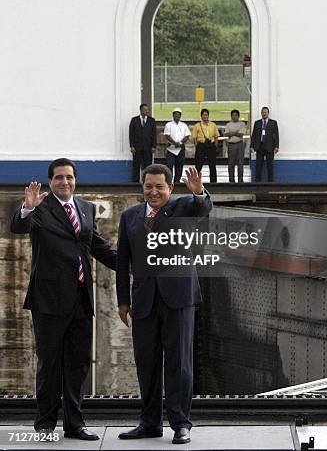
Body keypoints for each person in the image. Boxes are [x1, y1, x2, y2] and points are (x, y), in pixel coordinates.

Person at [10, 158, 116, 440]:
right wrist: (28, 207)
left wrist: (132, 264)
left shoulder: (86, 208)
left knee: (78, 363)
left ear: (75, 180)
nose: (65, 182)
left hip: (81, 297)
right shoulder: (40, 208)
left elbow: (96, 246)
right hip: (49, 300)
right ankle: (45, 424)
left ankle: (74, 424)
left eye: (69, 177)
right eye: (59, 177)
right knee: (50, 363)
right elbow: (18, 227)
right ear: (50, 181)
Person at [116, 164, 212, 445]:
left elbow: (203, 208)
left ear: (170, 188)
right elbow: (123, 262)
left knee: (179, 363)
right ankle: (149, 423)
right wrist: (123, 300)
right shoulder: (129, 217)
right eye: (149, 186)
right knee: (146, 363)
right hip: (144, 300)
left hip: (178, 298)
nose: (154, 191)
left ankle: (181, 424)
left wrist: (199, 193)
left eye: (160, 186)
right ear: (142, 187)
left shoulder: (182, 208)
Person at [251, 106, 279, 182]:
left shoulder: (273, 123)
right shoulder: (257, 123)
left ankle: (270, 183)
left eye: (265, 112)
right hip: (259, 146)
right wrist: (252, 146)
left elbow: (276, 135)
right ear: (261, 113)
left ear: (268, 113)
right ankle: (257, 183)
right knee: (258, 166)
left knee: (270, 166)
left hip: (269, 147)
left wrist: (276, 146)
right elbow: (254, 135)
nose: (264, 114)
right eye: (263, 112)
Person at [129, 104, 157, 182]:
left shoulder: (152, 120)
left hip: (148, 148)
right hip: (137, 147)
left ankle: (147, 181)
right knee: (136, 166)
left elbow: (154, 134)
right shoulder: (134, 120)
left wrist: (154, 146)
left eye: (147, 109)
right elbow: (131, 134)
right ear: (141, 110)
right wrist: (132, 146)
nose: (147, 111)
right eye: (145, 109)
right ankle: (135, 182)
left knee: (148, 166)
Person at [191, 108, 220, 183]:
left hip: (211, 145)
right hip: (201, 145)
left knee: (212, 165)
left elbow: (216, 136)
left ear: (208, 116)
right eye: (203, 115)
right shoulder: (197, 125)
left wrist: (215, 146)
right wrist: (196, 146)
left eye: (206, 115)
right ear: (201, 116)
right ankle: (196, 181)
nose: (205, 116)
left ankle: (213, 182)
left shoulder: (213, 125)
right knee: (198, 164)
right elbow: (194, 137)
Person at [163, 108, 191, 183]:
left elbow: (187, 135)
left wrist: (180, 143)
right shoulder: (168, 124)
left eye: (178, 114)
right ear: (173, 115)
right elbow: (167, 135)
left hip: (180, 148)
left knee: (179, 165)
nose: (177, 116)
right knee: (169, 165)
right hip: (171, 148)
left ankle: (177, 181)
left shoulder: (184, 125)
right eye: (175, 114)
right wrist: (175, 143)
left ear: (180, 116)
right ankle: (169, 181)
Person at [224, 109, 246, 183]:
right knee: (231, 164)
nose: (234, 117)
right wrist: (236, 132)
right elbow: (226, 134)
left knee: (240, 163)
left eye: (236, 115)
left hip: (240, 144)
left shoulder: (242, 124)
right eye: (233, 115)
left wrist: (231, 133)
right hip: (231, 145)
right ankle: (231, 180)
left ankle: (240, 180)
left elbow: (241, 134)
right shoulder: (228, 124)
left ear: (238, 116)